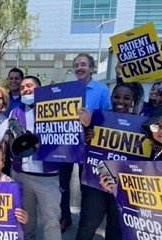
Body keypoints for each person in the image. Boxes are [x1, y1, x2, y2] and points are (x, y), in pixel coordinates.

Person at [80, 82, 145, 240]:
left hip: (124, 185)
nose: (120, 101)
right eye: (116, 97)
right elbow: (79, 142)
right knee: (88, 223)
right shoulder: (98, 118)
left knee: (116, 226)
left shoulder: (143, 125)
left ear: (133, 101)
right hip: (96, 181)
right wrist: (86, 136)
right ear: (111, 98)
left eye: (126, 98)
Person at [60, 53, 112, 233]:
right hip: (67, 144)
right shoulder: (68, 89)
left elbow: (107, 118)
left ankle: (85, 220)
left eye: (83, 64)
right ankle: (65, 217)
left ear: (91, 68)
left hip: (90, 145)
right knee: (63, 183)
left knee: (86, 185)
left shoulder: (102, 90)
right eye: (76, 65)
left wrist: (94, 129)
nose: (79, 68)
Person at [9, 75, 62, 240]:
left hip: (47, 175)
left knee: (51, 219)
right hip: (22, 174)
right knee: (26, 219)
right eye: (23, 87)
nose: (25, 89)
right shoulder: (15, 112)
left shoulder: (55, 110)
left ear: (39, 89)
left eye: (29, 86)